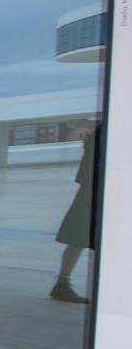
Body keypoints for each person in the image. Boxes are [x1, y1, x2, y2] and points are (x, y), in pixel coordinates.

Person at [51, 126, 98, 303]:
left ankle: (63, 282)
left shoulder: (98, 133)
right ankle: (63, 283)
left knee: (77, 239)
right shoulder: (104, 132)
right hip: (94, 192)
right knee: (78, 238)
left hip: (90, 191)